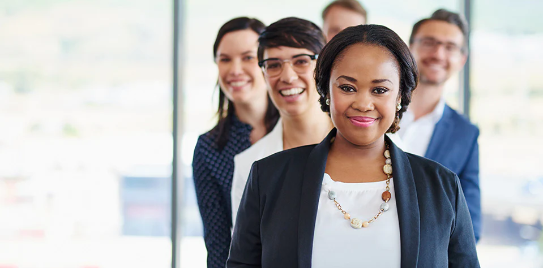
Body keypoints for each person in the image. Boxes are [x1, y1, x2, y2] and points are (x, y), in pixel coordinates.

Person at [227, 24, 479, 267]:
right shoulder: (269, 177)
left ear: (400, 96)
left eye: (380, 90)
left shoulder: (442, 186)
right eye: (347, 87)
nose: (363, 103)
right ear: (326, 89)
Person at [192, 17, 279, 268]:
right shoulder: (209, 148)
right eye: (225, 59)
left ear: (267, 62)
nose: (235, 69)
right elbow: (218, 243)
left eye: (248, 57)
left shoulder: (298, 132)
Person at [230, 17, 334, 225]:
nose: (287, 76)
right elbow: (246, 253)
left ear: (324, 66)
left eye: (301, 61)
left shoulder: (372, 143)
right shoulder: (248, 165)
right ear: (263, 73)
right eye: (274, 65)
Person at [401, 9, 481, 241]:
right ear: (409, 48)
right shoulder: (375, 110)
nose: (438, 54)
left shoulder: (466, 134)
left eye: (450, 47)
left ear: (462, 59)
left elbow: (471, 225)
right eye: (429, 42)